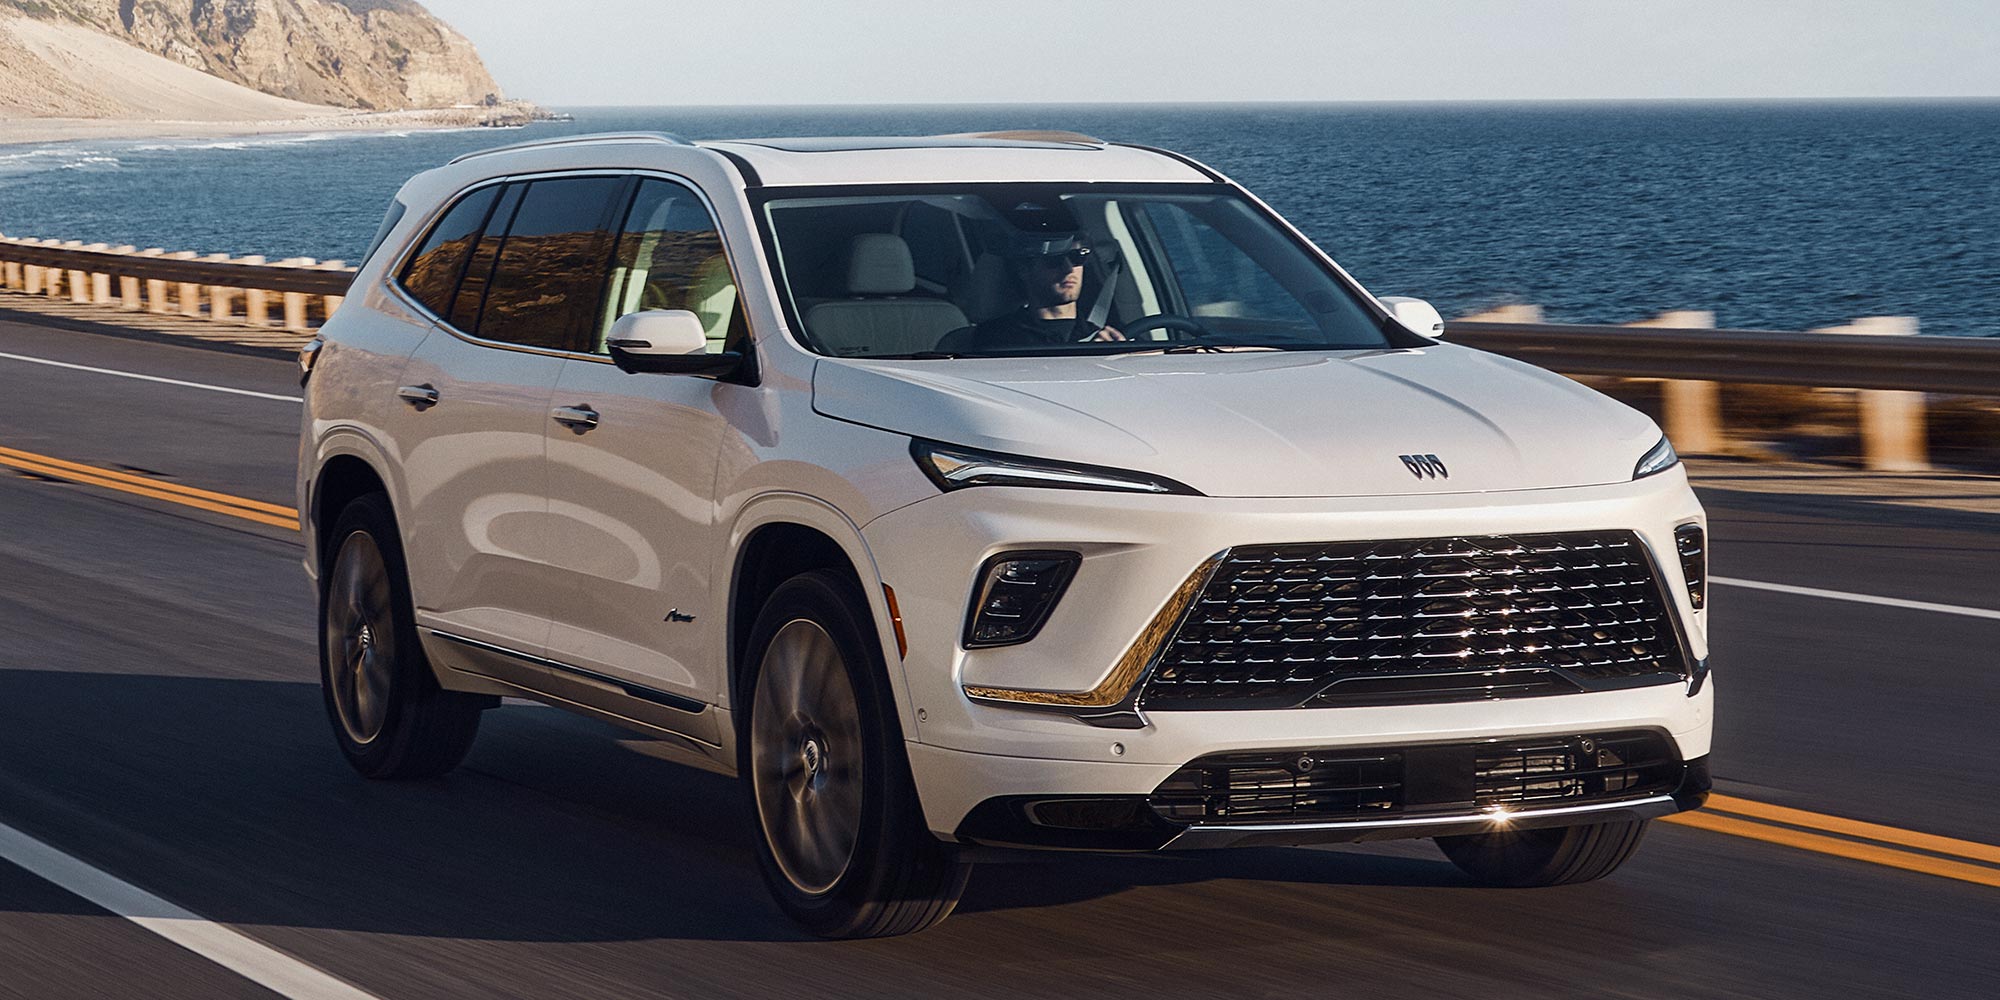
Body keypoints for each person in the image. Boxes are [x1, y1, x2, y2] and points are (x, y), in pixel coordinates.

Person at [952, 232, 1125, 351]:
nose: (1068, 268)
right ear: (1024, 270)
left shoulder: (1100, 335)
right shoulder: (999, 337)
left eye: (1077, 257)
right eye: (1054, 260)